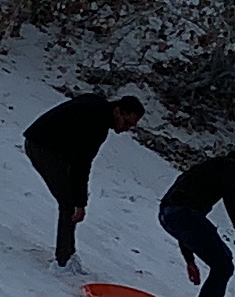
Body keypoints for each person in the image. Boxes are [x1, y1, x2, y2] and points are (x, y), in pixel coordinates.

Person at [21, 90, 145, 266]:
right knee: (69, 205)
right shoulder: (98, 123)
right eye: (126, 122)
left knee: (69, 200)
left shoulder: (96, 105)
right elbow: (82, 164)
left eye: (131, 126)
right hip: (42, 146)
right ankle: (64, 260)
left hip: (52, 147)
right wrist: (81, 203)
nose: (126, 129)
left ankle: (67, 256)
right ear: (117, 111)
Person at [156, 149, 235, 297]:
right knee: (224, 266)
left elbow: (183, 222)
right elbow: (230, 197)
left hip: (167, 215)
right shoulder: (229, 166)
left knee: (222, 263)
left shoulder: (204, 171)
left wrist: (189, 261)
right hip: (185, 215)